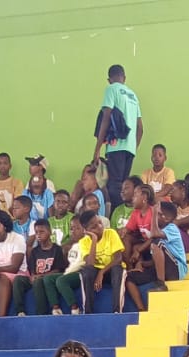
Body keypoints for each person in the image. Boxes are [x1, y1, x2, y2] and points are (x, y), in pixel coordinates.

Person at [92, 65, 144, 210]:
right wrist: (133, 147)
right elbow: (140, 129)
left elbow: (106, 117)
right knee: (124, 186)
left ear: (109, 80)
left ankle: (116, 214)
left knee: (114, 186)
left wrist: (97, 149)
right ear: (124, 78)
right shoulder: (133, 95)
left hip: (116, 147)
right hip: (130, 149)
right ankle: (124, 214)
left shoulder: (111, 89)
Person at [79, 212, 125, 313]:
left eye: (100, 222)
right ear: (87, 230)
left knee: (117, 269)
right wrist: (94, 239)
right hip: (95, 272)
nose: (100, 227)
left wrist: (101, 272)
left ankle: (117, 311)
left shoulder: (110, 233)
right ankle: (88, 311)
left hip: (111, 270)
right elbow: (90, 263)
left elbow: (118, 258)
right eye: (94, 227)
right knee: (86, 271)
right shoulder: (83, 242)